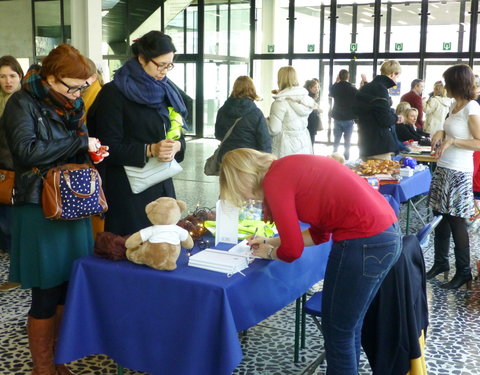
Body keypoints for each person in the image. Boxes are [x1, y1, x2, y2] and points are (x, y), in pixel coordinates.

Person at [219, 148, 401, 375]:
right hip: (386, 236)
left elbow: (292, 251)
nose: (247, 198)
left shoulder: (274, 180)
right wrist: (271, 241)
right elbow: (319, 235)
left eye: (239, 190)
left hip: (363, 242)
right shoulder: (288, 167)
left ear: (242, 177)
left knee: (338, 333)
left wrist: (269, 253)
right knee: (348, 328)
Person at [2, 44, 108, 375]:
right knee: (45, 291)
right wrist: (79, 144)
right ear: (50, 77)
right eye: (71, 86)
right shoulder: (22, 102)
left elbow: (74, 146)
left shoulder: (71, 103)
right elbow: (26, 151)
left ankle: (60, 359)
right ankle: (43, 366)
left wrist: (92, 153)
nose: (77, 94)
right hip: (39, 207)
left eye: (81, 87)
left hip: (73, 204)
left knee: (67, 285)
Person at [87, 30, 188, 236]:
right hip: (128, 191)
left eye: (169, 65)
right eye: (160, 65)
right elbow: (107, 147)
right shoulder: (114, 94)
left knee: (162, 244)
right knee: (131, 250)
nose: (164, 71)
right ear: (141, 58)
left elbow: (176, 132)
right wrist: (150, 149)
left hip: (161, 183)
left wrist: (177, 145)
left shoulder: (166, 91)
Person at [427, 64, 480, 289]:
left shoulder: (472, 108)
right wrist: (441, 132)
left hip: (459, 172)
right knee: (439, 216)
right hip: (444, 167)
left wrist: (453, 141)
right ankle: (441, 263)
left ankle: (464, 271)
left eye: (447, 82)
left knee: (457, 220)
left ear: (456, 84)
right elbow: (449, 130)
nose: (444, 86)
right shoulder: (453, 105)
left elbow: (478, 142)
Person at [0, 55, 23, 292]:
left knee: (12, 226)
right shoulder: (3, 101)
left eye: (12, 75)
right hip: (4, 172)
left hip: (14, 173)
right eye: (2, 76)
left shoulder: (22, 102)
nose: (7, 81)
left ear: (20, 76)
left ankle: (17, 275)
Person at [353, 60, 404, 160]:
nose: (397, 81)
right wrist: (395, 116)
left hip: (364, 142)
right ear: (393, 74)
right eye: (397, 77)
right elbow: (385, 120)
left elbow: (356, 112)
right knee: (382, 174)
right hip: (379, 145)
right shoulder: (381, 89)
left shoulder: (365, 87)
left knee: (366, 174)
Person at [214, 75, 271, 162]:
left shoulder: (222, 110)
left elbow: (218, 134)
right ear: (252, 90)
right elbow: (264, 142)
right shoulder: (256, 113)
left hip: (227, 158)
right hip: (248, 159)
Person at [267, 66, 315, 158]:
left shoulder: (280, 102)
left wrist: (266, 121)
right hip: (304, 142)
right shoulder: (306, 99)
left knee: (285, 171)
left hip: (285, 146)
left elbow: (274, 129)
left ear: (280, 79)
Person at [329, 69, 358, 160]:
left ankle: (334, 155)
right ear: (348, 77)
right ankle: (346, 157)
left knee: (336, 139)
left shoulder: (335, 87)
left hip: (337, 117)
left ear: (339, 77)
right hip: (348, 118)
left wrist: (336, 81)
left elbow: (331, 92)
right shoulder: (353, 89)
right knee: (347, 140)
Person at [304, 78, 322, 147]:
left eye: (318, 87)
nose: (317, 89)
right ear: (309, 88)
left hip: (312, 123)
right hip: (309, 123)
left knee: (311, 142)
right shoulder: (308, 98)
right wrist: (317, 109)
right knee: (310, 143)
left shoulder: (314, 96)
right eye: (315, 87)